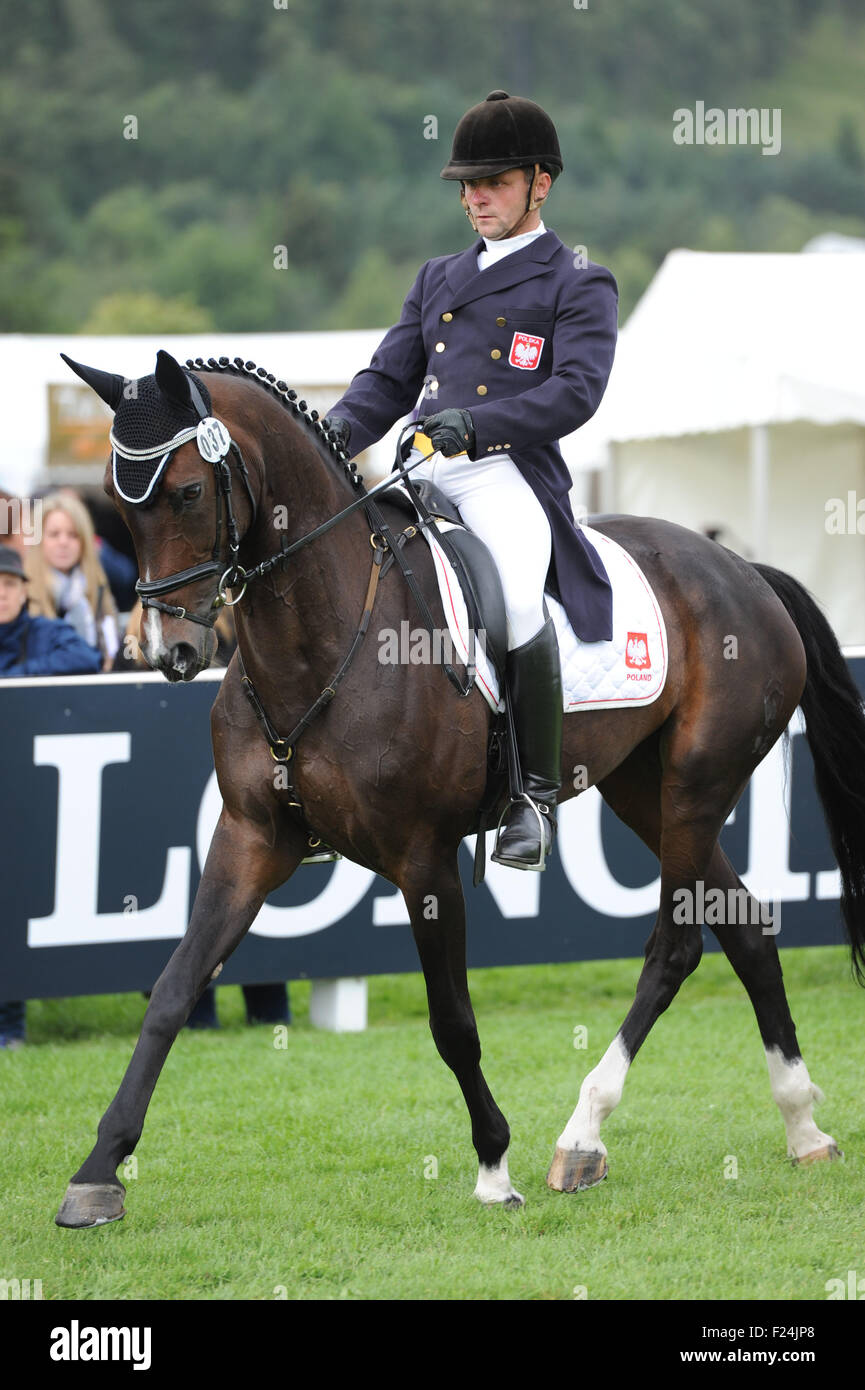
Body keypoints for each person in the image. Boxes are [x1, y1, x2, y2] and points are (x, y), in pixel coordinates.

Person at [325, 91, 618, 870]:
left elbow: (576, 392)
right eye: (464, 184)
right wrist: (329, 434)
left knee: (517, 601)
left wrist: (479, 425)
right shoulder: (436, 278)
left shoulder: (578, 281)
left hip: (502, 474)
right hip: (417, 469)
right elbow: (386, 382)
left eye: (490, 181)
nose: (472, 197)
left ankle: (531, 796)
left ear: (539, 183)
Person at [0, 544, 102, 1047]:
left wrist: (10, 684)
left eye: (9, 584)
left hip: (42, 798)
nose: (1, 594)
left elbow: (85, 657)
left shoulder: (45, 632)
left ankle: (11, 1029)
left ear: (24, 590)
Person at [25, 491, 121, 671]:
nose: (63, 542)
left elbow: (111, 654)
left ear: (84, 541)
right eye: (54, 534)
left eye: (73, 535)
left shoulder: (99, 591)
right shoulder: (21, 595)